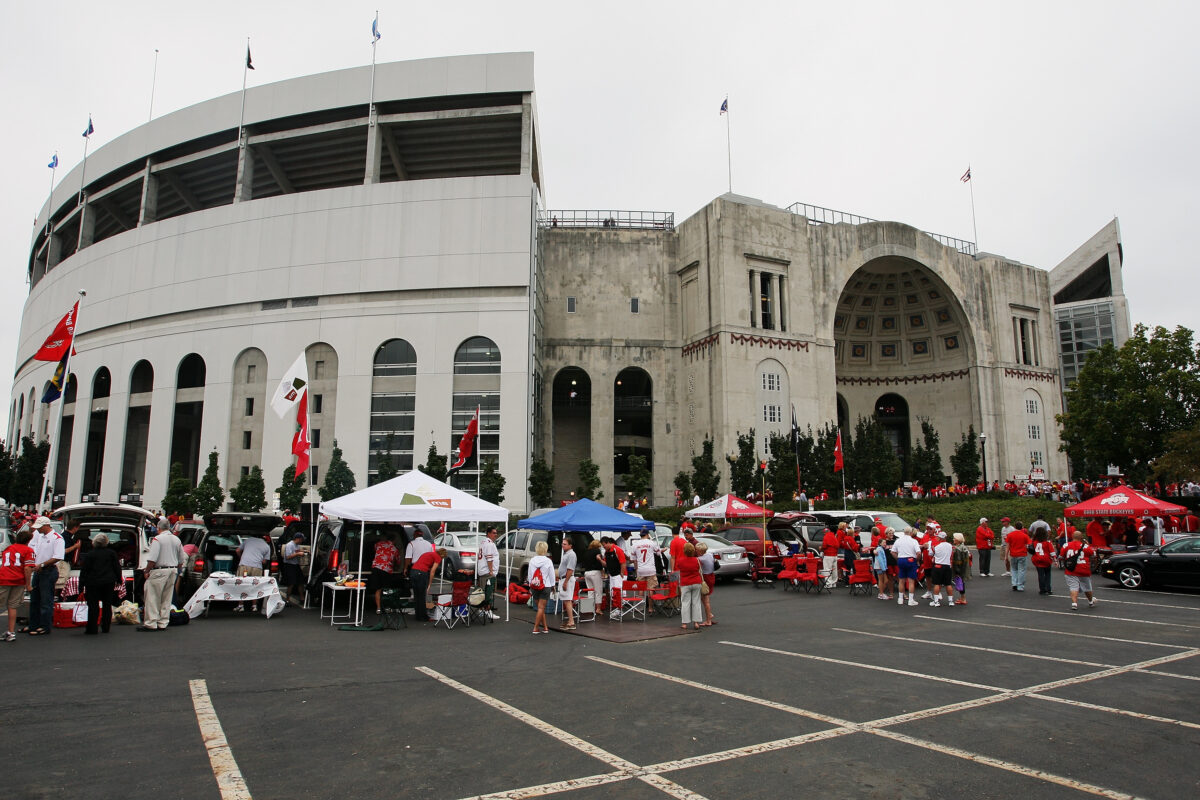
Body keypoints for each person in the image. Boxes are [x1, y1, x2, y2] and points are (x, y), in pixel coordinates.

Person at [140, 519, 184, 631]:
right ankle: (163, 622)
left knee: (152, 597)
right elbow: (181, 560)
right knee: (167, 598)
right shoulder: (177, 540)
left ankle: (151, 622)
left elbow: (152, 559)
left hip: (159, 570)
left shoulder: (158, 539)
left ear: (158, 528)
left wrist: (147, 571)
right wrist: (177, 571)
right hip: (173, 570)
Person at [27, 516, 64, 636]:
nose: (37, 530)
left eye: (39, 527)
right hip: (39, 570)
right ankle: (34, 624)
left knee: (46, 600)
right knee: (35, 599)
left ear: (46, 526)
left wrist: (42, 565)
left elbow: (57, 556)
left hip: (48, 570)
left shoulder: (57, 538)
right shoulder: (40, 537)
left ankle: (45, 625)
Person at [80, 533, 122, 635]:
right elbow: (117, 567)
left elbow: (84, 570)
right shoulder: (111, 553)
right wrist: (119, 579)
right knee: (107, 604)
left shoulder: (90, 554)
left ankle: (92, 628)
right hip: (108, 581)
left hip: (92, 582)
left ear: (94, 543)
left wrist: (81, 585)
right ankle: (106, 627)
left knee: (93, 605)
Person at [0, 530, 35, 641]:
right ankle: (11, 632)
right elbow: (27, 568)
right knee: (12, 606)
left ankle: (10, 633)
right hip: (18, 580)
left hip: (4, 578)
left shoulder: (8, 548)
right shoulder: (28, 550)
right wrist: (28, 585)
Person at [234, 532, 272, 612]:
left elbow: (237, 550)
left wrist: (242, 558)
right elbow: (264, 562)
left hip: (244, 566)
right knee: (255, 586)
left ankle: (241, 605)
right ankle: (254, 606)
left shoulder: (249, 540)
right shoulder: (267, 546)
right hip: (257, 568)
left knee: (242, 584)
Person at [1061, 530, 1097, 611]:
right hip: (1083, 569)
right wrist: (1087, 544)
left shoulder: (1066, 545)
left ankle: (1074, 603)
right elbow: (1093, 554)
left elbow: (1061, 556)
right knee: (1087, 587)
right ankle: (1091, 601)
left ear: (1072, 537)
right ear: (1081, 537)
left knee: (1073, 586)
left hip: (1071, 569)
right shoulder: (1085, 546)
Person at [368, 531, 401, 615]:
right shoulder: (394, 549)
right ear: (394, 540)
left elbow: (375, 550)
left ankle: (378, 609)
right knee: (386, 589)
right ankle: (386, 607)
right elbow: (398, 561)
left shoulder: (379, 544)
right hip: (386, 570)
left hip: (375, 568)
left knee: (378, 589)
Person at [408, 543, 441, 623]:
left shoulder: (427, 553)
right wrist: (429, 584)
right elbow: (432, 571)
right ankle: (424, 616)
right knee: (422, 596)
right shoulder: (438, 557)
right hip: (421, 573)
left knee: (417, 595)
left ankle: (418, 615)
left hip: (413, 572)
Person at [890, 527, 922, 606]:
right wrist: (917, 560)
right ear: (911, 533)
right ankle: (910, 600)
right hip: (910, 560)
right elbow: (918, 553)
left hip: (901, 559)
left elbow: (892, 552)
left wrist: (898, 558)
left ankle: (900, 599)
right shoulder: (914, 541)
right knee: (911, 581)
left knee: (901, 580)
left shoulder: (898, 540)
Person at [527, 541, 554, 634]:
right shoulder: (548, 561)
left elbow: (530, 574)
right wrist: (553, 585)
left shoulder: (532, 560)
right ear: (545, 549)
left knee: (539, 608)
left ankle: (545, 627)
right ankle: (536, 628)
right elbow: (552, 575)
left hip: (534, 585)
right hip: (545, 585)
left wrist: (530, 584)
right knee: (541, 608)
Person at [676, 542, 703, 631]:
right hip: (696, 581)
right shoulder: (697, 560)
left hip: (685, 583)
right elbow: (699, 569)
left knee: (685, 603)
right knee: (696, 602)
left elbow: (678, 568)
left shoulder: (680, 560)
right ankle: (696, 622)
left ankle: (684, 623)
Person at [475, 527, 501, 620]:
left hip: (483, 571)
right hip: (487, 572)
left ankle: (482, 610)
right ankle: (488, 610)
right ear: (488, 533)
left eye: (496, 533)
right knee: (488, 592)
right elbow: (489, 558)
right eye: (494, 533)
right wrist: (491, 571)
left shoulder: (483, 542)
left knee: (483, 591)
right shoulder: (489, 544)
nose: (496, 534)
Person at [556, 537, 577, 630]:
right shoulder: (567, 554)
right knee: (566, 600)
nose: (562, 545)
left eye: (565, 544)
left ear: (570, 545)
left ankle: (571, 622)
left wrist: (565, 582)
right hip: (564, 578)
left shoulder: (571, 555)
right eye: (562, 543)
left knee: (567, 600)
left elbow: (570, 569)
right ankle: (570, 621)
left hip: (567, 579)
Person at [280, 532, 307, 606]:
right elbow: (288, 557)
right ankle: (287, 600)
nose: (302, 541)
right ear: (298, 539)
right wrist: (298, 554)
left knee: (301, 581)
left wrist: (303, 552)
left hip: (295, 565)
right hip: (289, 565)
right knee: (291, 583)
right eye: (301, 539)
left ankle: (302, 598)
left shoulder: (297, 545)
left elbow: (296, 552)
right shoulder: (290, 545)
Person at [632, 529, 661, 596]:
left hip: (641, 569)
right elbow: (658, 553)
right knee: (651, 588)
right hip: (650, 569)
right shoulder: (651, 543)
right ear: (647, 534)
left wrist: (636, 570)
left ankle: (640, 605)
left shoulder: (635, 544)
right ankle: (650, 606)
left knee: (641, 588)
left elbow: (634, 560)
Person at [928, 531, 953, 607]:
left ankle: (936, 601)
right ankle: (950, 601)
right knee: (948, 584)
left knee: (936, 584)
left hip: (938, 566)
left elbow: (930, 554)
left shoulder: (936, 546)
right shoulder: (950, 546)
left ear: (940, 538)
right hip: (947, 566)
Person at [603, 537, 626, 617]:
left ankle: (619, 609)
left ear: (608, 542)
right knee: (613, 593)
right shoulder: (606, 552)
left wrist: (622, 574)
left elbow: (623, 562)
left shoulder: (617, 550)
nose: (604, 547)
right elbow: (605, 564)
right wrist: (599, 559)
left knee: (618, 592)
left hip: (618, 575)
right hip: (612, 575)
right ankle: (616, 609)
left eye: (604, 545)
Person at [580, 539, 605, 615]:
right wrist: (602, 571)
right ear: (598, 546)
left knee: (590, 591)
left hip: (587, 573)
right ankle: (598, 609)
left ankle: (589, 609)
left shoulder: (586, 552)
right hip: (595, 572)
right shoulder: (597, 551)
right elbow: (599, 563)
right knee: (598, 591)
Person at [1005, 521, 1031, 592]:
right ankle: (1020, 585)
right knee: (1021, 570)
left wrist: (1006, 556)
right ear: (1022, 527)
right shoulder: (1025, 535)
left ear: (1015, 527)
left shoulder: (1010, 535)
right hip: (1022, 554)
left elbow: (1008, 546)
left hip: (1013, 554)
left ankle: (1014, 584)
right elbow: (1029, 544)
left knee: (1014, 570)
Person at [1030, 529, 1055, 595]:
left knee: (1040, 575)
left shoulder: (1034, 542)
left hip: (1037, 559)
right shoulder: (1048, 542)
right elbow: (1052, 552)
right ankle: (1048, 588)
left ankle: (1042, 589)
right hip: (1046, 560)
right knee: (1047, 575)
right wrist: (1055, 560)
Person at [696, 542, 716, 626]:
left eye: (697, 549)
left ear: (700, 550)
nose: (696, 551)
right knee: (703, 597)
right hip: (711, 576)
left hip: (706, 578)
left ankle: (708, 620)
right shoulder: (710, 555)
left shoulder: (700, 559)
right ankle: (709, 614)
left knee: (705, 599)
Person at [950, 532, 971, 605]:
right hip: (965, 568)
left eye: (954, 538)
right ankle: (962, 598)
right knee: (961, 583)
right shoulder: (964, 547)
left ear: (958, 540)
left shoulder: (957, 549)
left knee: (960, 583)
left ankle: (963, 598)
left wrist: (957, 570)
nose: (953, 539)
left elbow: (958, 561)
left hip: (959, 569)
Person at [821, 524, 841, 589]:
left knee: (827, 569)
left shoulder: (826, 536)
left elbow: (824, 546)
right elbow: (838, 545)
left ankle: (829, 583)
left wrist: (821, 548)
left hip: (828, 555)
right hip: (835, 555)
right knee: (834, 570)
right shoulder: (834, 536)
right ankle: (834, 583)